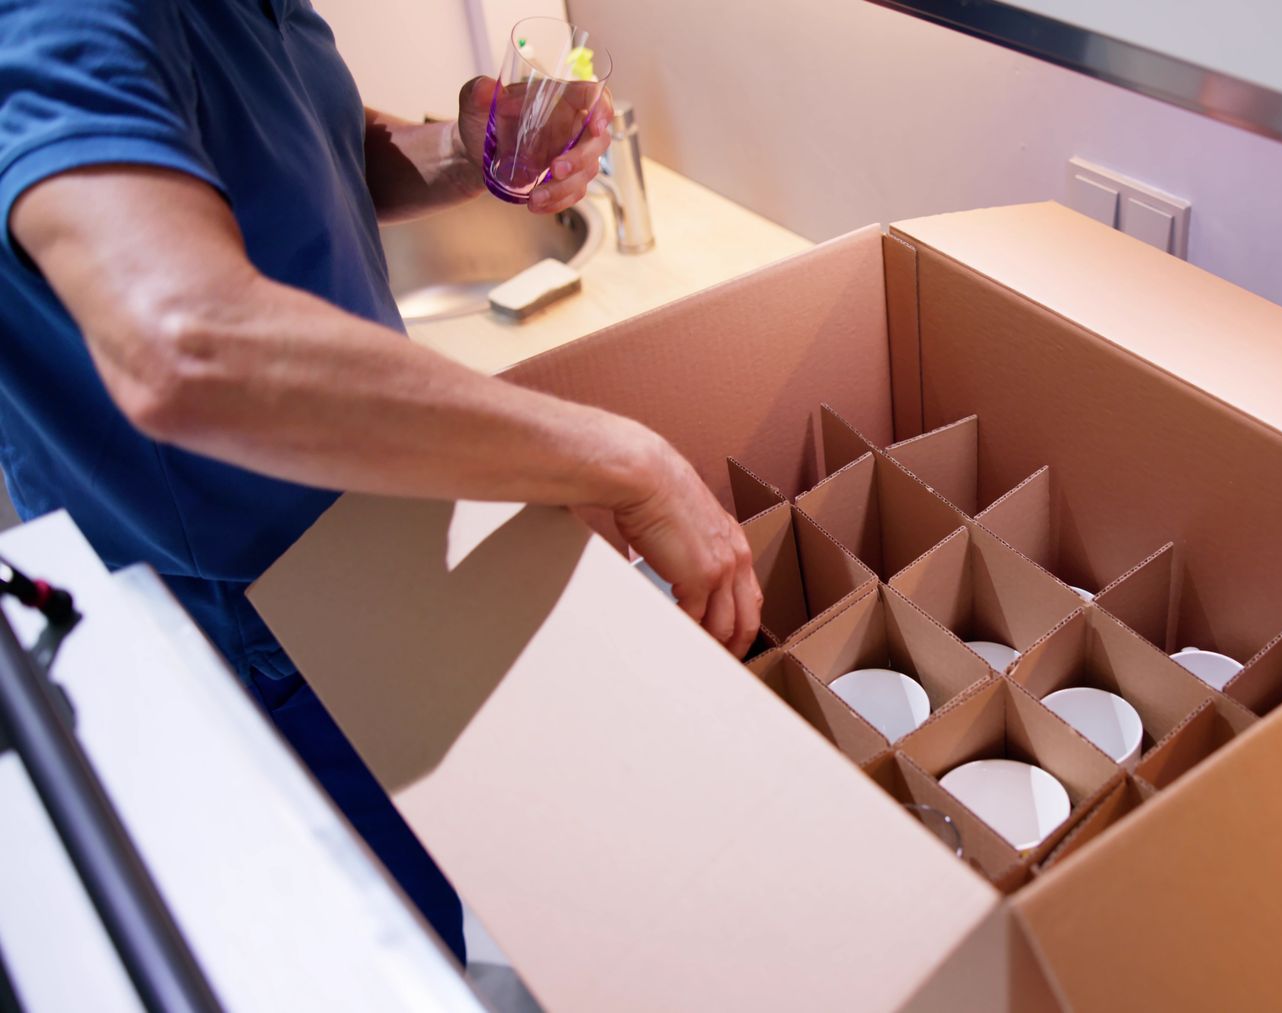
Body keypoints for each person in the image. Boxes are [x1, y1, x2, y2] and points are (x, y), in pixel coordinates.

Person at [0, 0, 762, 962]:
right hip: (245, 617)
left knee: (433, 902)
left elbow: (297, 156)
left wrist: (465, 148)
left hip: (357, 546)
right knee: (385, 951)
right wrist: (631, 463)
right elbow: (185, 342)